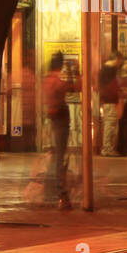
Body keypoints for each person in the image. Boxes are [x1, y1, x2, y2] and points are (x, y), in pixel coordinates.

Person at [42, 52, 79, 210]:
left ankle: (55, 187)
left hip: (53, 117)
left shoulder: (47, 80)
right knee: (60, 154)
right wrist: (75, 73)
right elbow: (74, 88)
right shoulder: (57, 81)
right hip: (60, 118)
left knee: (57, 153)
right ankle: (60, 190)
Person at [99, 52, 123, 156]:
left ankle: (108, 148)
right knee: (110, 125)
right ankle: (107, 149)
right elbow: (112, 87)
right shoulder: (109, 70)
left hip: (107, 101)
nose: (121, 63)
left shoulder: (105, 70)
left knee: (110, 124)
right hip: (110, 101)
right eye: (120, 60)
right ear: (117, 59)